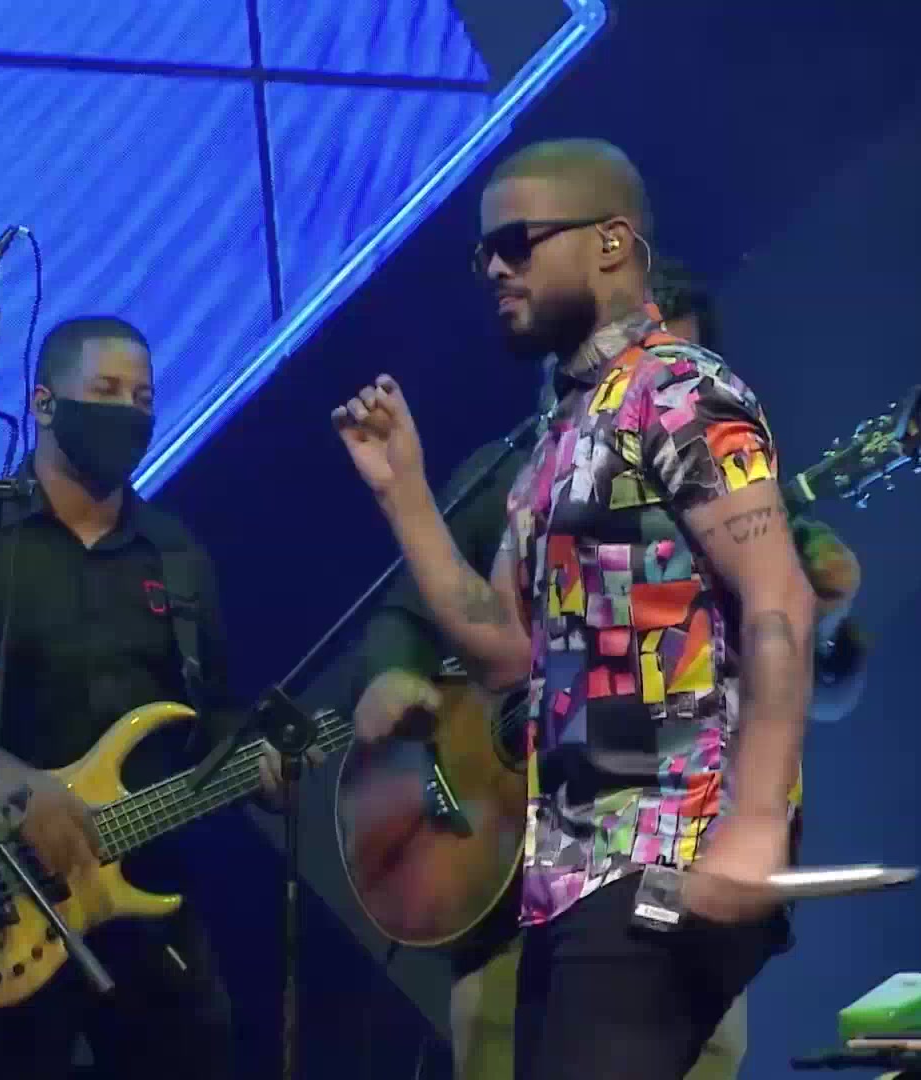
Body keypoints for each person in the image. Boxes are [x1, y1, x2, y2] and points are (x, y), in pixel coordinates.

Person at [334, 138, 816, 1079]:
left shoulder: (682, 390)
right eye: (483, 251)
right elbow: (503, 653)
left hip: (669, 843)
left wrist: (759, 820)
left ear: (610, 242)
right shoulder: (564, 432)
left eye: (517, 242)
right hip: (567, 868)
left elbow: (781, 599)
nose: (494, 268)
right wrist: (407, 496)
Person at [0, 315, 281, 1079]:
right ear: (44, 403)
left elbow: (213, 715)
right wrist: (14, 786)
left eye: (143, 397)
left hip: (149, 894)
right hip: (0, 906)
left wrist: (262, 768)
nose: (128, 411)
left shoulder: (176, 554)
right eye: (106, 391)